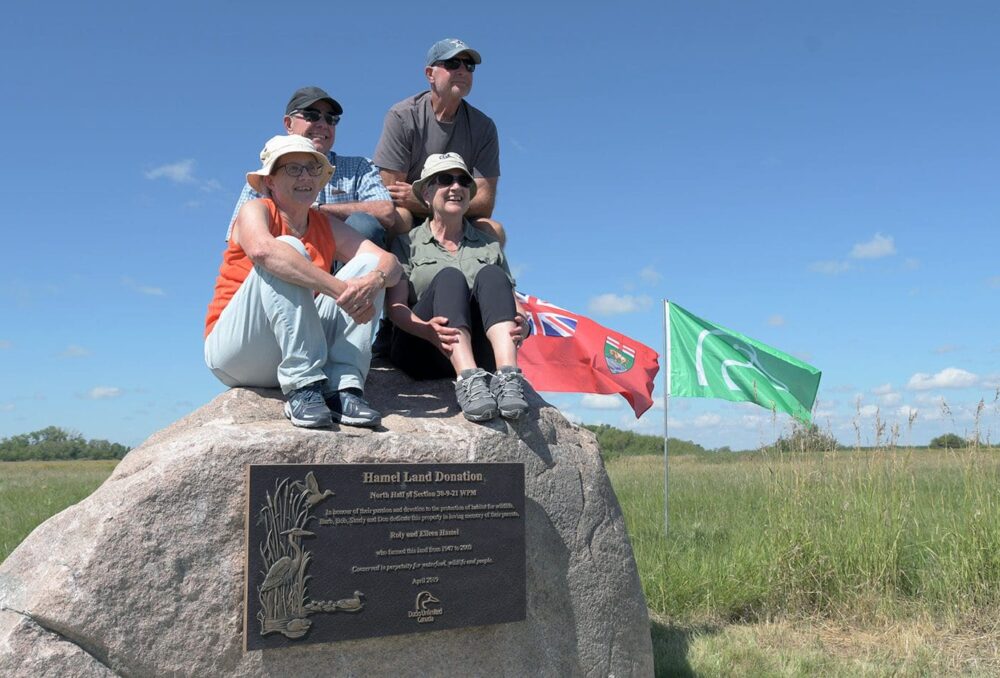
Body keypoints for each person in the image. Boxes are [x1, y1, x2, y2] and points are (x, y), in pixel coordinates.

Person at [205, 135, 402, 429]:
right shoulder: (256, 210)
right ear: (270, 181)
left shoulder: (326, 226)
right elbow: (263, 251)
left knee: (369, 266)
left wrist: (374, 280)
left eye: (312, 169)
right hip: (237, 353)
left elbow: (391, 263)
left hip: (293, 346)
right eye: (293, 169)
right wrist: (343, 291)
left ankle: (343, 389)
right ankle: (303, 387)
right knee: (286, 248)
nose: (306, 177)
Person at [385, 153, 528, 422]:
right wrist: (425, 329)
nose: (456, 187)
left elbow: (510, 301)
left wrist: (525, 324)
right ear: (426, 193)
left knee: (491, 274)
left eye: (463, 181)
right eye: (445, 179)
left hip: (479, 346)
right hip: (422, 348)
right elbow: (395, 307)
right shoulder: (407, 243)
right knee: (450, 277)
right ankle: (468, 380)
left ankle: (508, 376)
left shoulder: (488, 245)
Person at [227, 86, 395, 249]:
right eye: (312, 115)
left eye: (331, 119)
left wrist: (315, 211)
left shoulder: (360, 167)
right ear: (288, 124)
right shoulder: (263, 177)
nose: (323, 124)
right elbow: (237, 235)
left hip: (346, 269)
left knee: (363, 224)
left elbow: (385, 211)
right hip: (280, 269)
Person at [374, 38, 504, 245]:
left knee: (494, 230)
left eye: (469, 66)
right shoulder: (402, 116)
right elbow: (392, 193)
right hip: (413, 215)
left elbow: (485, 202)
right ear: (429, 74)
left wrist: (426, 201)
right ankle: (394, 275)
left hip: (457, 217)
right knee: (399, 218)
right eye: (452, 63)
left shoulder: (483, 127)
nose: (462, 70)